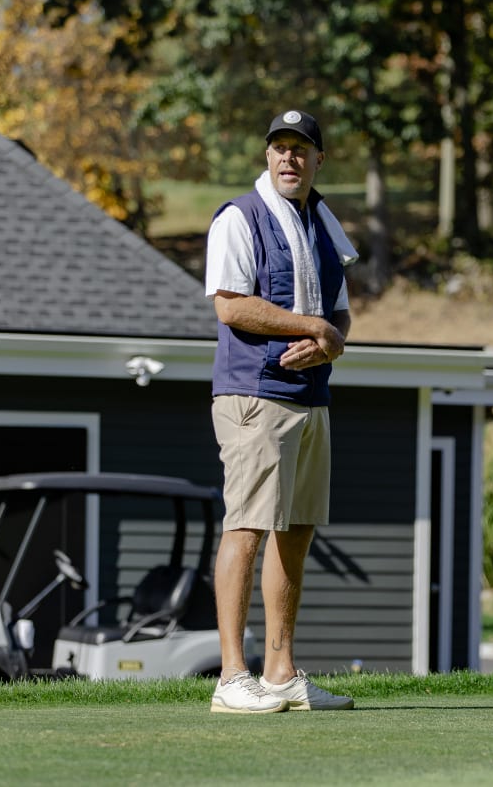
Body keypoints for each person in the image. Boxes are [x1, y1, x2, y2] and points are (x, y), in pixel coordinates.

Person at [204, 109, 359, 714]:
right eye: (279, 148)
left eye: (301, 148)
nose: (289, 158)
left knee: (294, 533)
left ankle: (279, 672)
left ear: (320, 159)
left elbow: (339, 312)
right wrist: (313, 326)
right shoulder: (240, 217)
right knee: (245, 528)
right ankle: (230, 677)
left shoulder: (321, 220)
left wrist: (330, 337)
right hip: (253, 396)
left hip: (310, 399)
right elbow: (231, 307)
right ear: (267, 157)